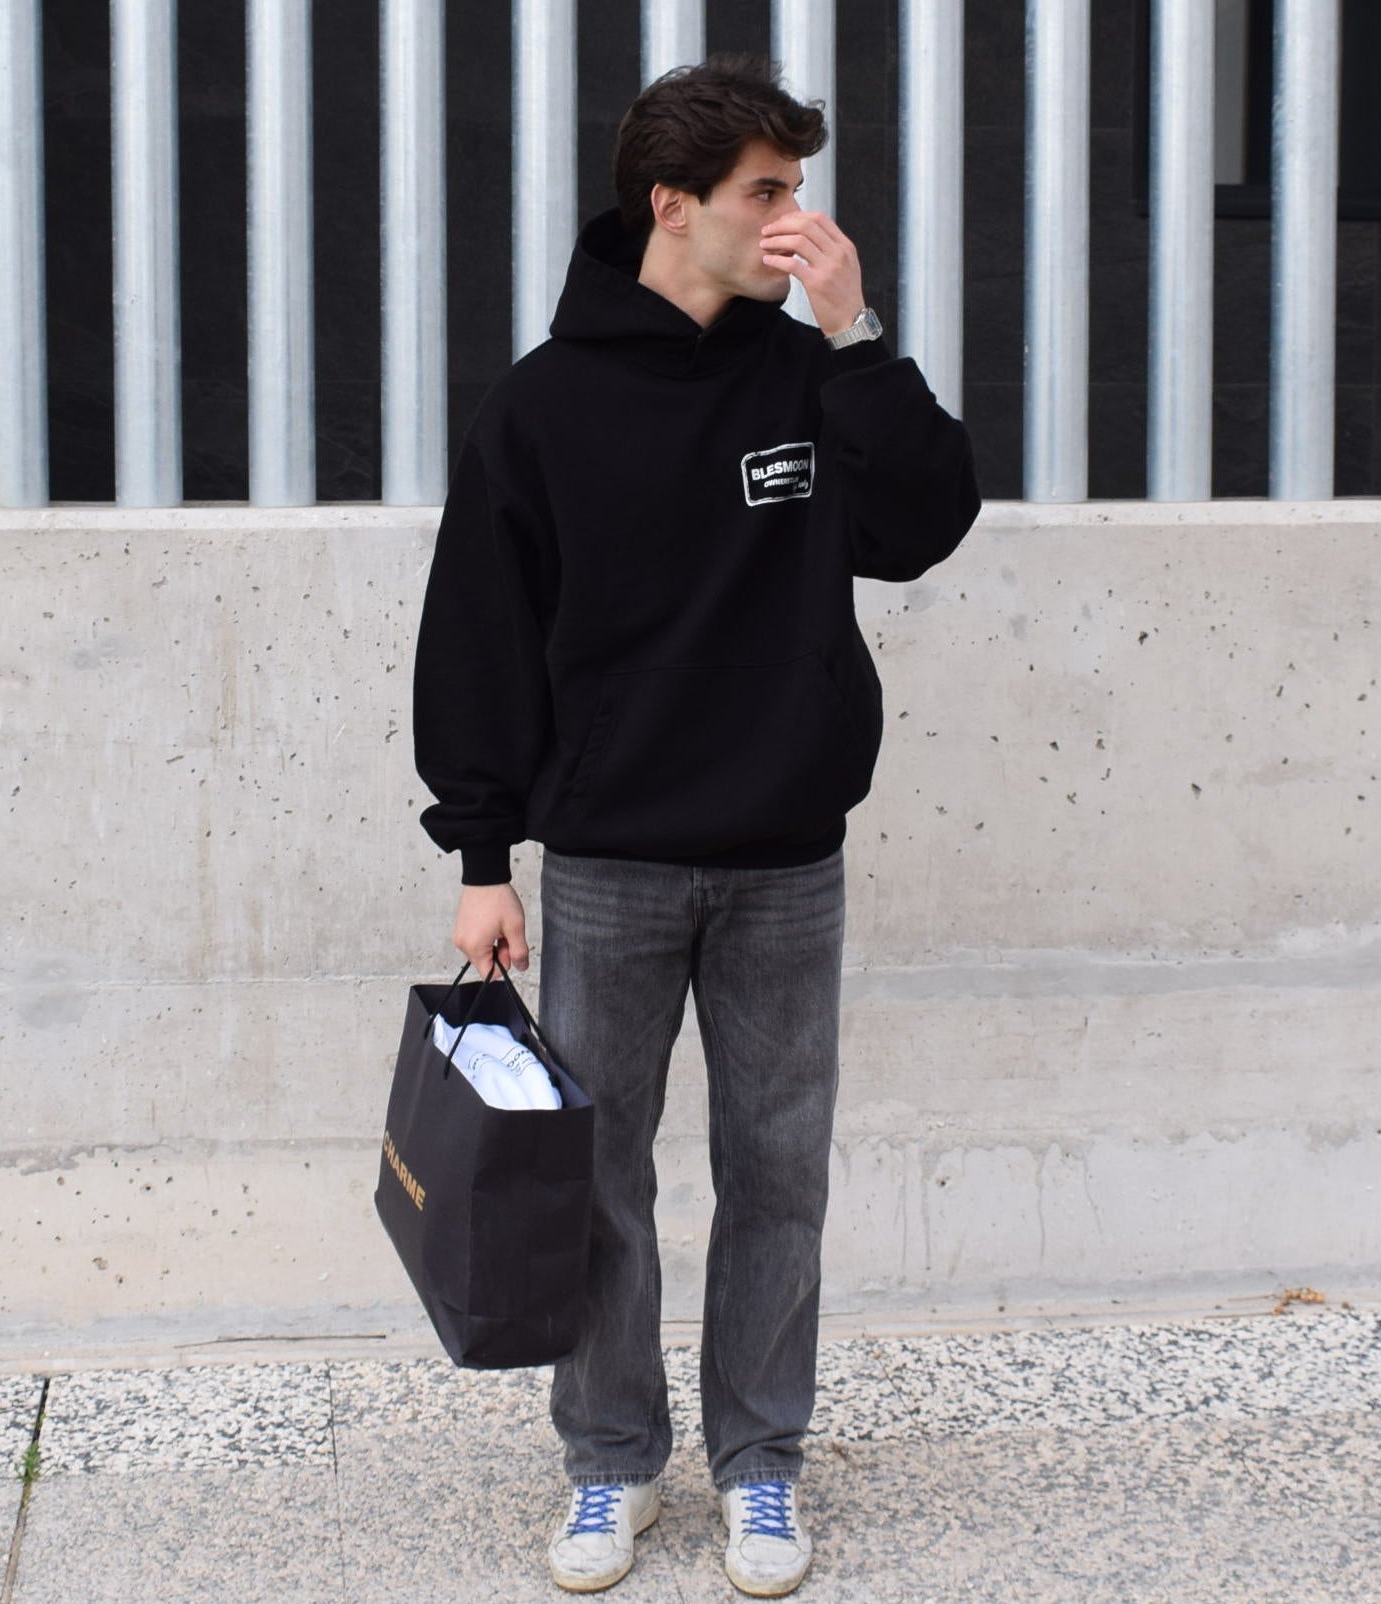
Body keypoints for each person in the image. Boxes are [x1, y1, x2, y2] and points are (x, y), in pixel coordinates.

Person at [410, 52, 980, 1597]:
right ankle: (610, 1463)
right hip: (609, 863)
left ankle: (758, 1463)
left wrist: (855, 333)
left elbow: (923, 523)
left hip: (787, 857)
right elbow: (477, 638)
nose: (797, 220)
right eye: (766, 192)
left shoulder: (808, 375)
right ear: (673, 206)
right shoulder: (544, 405)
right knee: (597, 1180)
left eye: (798, 189)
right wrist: (480, 859)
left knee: (778, 1173)